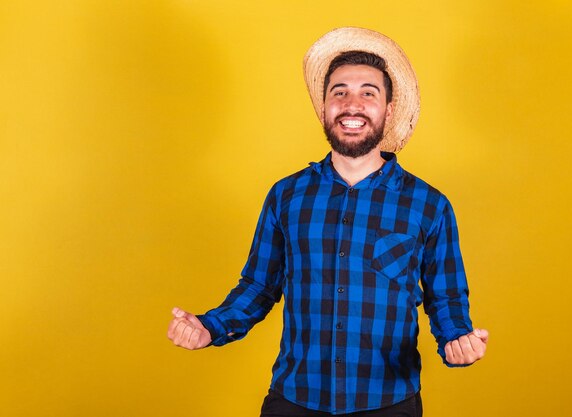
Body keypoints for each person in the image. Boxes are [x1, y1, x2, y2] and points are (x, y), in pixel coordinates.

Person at [167, 27, 488, 417]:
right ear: (323, 109)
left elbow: (447, 299)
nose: (352, 104)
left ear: (388, 109)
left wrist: (458, 341)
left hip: (388, 402)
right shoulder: (286, 196)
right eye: (339, 92)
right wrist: (210, 327)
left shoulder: (429, 205)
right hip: (296, 398)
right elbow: (258, 287)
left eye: (369, 93)